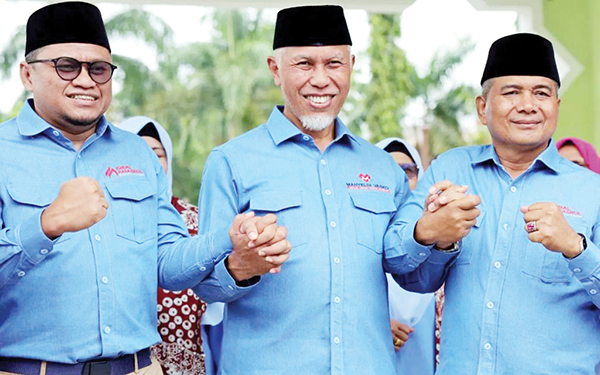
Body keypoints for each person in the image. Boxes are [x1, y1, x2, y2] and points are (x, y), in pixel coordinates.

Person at [0, 3, 290, 374]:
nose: (86, 81)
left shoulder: (136, 152)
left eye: (99, 69)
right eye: (66, 66)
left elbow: (167, 264)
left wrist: (227, 238)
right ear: (27, 73)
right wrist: (46, 225)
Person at [193, 5, 414, 374]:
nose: (321, 79)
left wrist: (437, 237)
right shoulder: (231, 161)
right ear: (275, 69)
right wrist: (239, 267)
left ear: (352, 65)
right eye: (304, 64)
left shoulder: (382, 167)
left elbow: (414, 273)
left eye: (333, 63)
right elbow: (206, 285)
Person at [392, 33, 600, 374]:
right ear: (482, 107)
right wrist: (433, 235)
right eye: (512, 92)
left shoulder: (592, 191)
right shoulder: (450, 170)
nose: (528, 105)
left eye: (542, 93)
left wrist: (577, 248)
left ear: (556, 107)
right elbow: (408, 275)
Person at [119, 116, 206, 375]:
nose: (148, 162)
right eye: (137, 152)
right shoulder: (98, 219)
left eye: (157, 154)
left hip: (187, 356)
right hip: (127, 360)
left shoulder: (198, 220)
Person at [375, 138, 436, 375]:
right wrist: (376, 326)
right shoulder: (358, 241)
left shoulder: (440, 242)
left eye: (407, 171)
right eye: (388, 171)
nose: (399, 180)